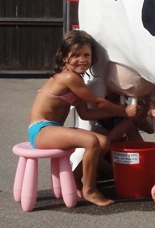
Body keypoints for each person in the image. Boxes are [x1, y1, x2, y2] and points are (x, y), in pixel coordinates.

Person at [28, 30, 140, 207]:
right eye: (76, 55)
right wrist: (124, 111)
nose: (82, 59)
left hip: (52, 129)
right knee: (91, 141)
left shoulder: (76, 79)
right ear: (64, 57)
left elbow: (86, 113)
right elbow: (97, 102)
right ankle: (89, 189)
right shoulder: (68, 77)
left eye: (87, 55)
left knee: (103, 141)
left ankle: (75, 177)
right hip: (41, 130)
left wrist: (120, 113)